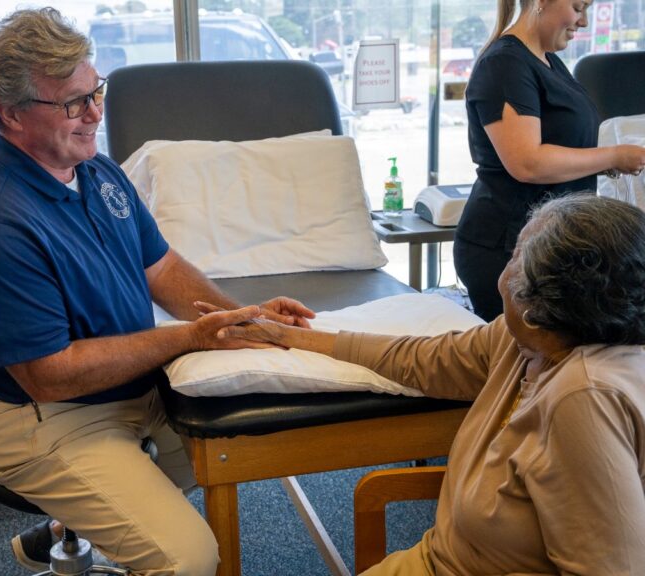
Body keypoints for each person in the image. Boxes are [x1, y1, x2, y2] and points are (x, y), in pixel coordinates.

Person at [0, 8, 314, 576]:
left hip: (124, 387)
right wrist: (189, 338)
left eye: (96, 92)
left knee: (235, 437)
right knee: (188, 558)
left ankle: (70, 524)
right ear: (10, 115)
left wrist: (241, 318)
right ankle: (87, 514)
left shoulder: (97, 172)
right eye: (73, 103)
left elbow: (160, 268)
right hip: (40, 418)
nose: (95, 113)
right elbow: (50, 374)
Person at [214, 194, 645, 574]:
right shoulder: (526, 341)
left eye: (514, 256)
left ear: (535, 307)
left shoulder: (582, 399)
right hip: (435, 559)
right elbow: (424, 358)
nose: (503, 267)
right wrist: (296, 337)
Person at [454, 0, 645, 322]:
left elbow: (561, 145)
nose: (583, 22)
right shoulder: (505, 65)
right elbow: (527, 163)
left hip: (549, 243)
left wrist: (605, 162)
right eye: (578, 7)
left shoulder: (548, 62)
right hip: (508, 244)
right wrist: (613, 155)